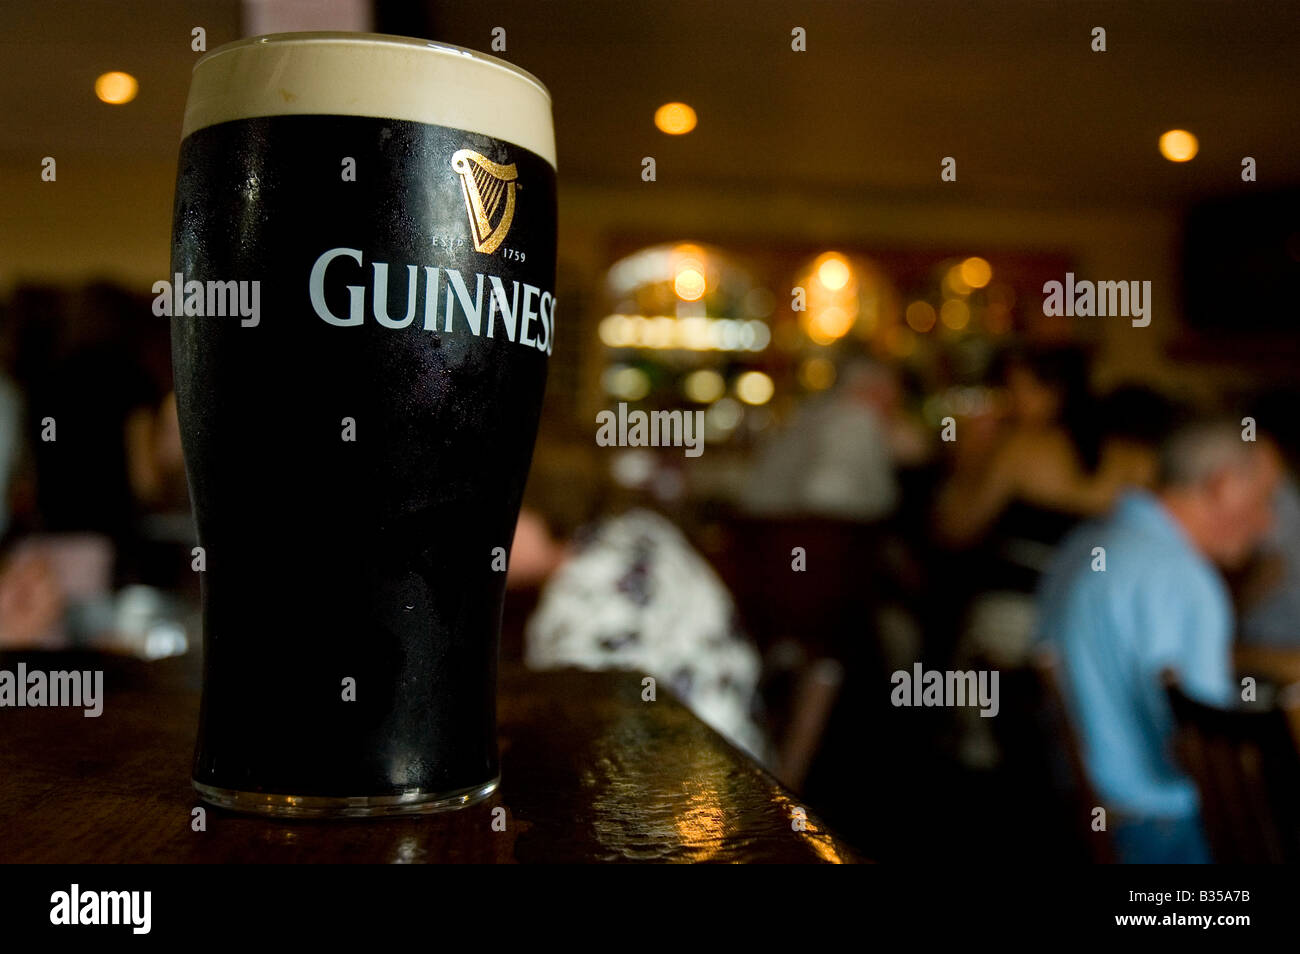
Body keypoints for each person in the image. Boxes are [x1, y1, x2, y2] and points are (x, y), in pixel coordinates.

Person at [1036, 417, 1282, 863]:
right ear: (1223, 486)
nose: (1266, 524)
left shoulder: (1084, 543)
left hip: (1082, 814)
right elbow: (1206, 752)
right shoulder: (1183, 578)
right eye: (1264, 498)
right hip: (1162, 834)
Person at [509, 498, 772, 767]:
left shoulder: (586, 588)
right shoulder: (634, 528)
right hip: (742, 746)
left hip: (706, 774)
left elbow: (578, 732)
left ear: (533, 512)